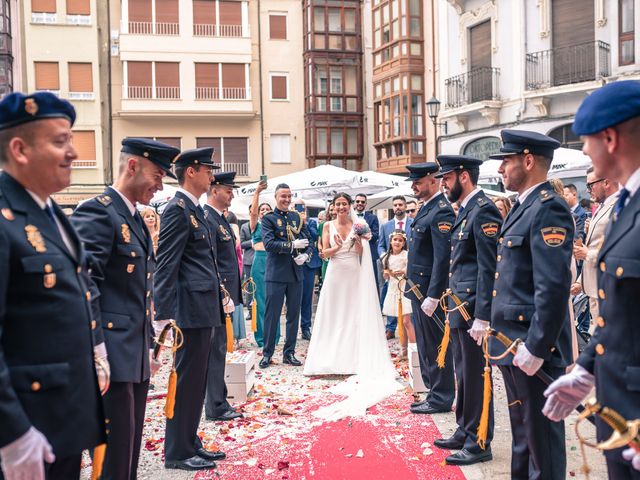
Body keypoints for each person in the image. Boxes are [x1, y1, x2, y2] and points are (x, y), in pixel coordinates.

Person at [0, 92, 105, 480]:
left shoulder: (49, 209)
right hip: (26, 422)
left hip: (61, 416)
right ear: (20, 149)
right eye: (60, 141)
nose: (74, 152)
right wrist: (12, 435)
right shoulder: (4, 215)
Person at [543, 80, 640, 478]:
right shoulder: (625, 206)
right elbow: (620, 310)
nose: (584, 151)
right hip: (619, 407)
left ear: (610, 138)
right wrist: (586, 368)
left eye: (586, 141)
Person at [70, 138, 177, 479]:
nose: (160, 186)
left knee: (127, 450)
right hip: (111, 355)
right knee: (113, 457)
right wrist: (96, 349)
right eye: (157, 175)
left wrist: (148, 344)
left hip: (133, 354)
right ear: (133, 166)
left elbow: (137, 291)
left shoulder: (132, 217)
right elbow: (83, 285)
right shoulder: (99, 211)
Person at [488, 129, 573, 480]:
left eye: (506, 161)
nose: (500, 170)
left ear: (527, 161)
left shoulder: (548, 208)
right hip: (512, 342)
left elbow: (552, 286)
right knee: (523, 436)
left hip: (531, 346)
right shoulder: (523, 207)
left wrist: (538, 346)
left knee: (543, 443)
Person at [154, 147, 231, 471]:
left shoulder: (193, 208)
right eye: (207, 170)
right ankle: (177, 450)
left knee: (197, 380)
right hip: (189, 310)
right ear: (191, 171)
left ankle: (189, 439)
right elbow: (166, 264)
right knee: (185, 381)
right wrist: (163, 316)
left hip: (203, 307)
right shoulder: (176, 209)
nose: (212, 176)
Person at [304, 192, 401, 419]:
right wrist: (337, 247)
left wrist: (357, 243)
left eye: (344, 204)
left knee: (353, 316)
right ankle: (330, 359)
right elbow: (324, 254)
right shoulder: (327, 226)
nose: (341, 207)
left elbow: (361, 254)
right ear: (333, 207)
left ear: (349, 207)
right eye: (338, 204)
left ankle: (352, 358)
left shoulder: (360, 225)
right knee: (334, 316)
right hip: (336, 273)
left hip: (355, 274)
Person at [435, 155, 502, 466]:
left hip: (473, 308)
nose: (443, 183)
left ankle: (479, 440)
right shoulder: (467, 210)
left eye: (447, 177)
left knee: (476, 375)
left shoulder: (484, 209)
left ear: (463, 176)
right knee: (463, 372)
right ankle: (465, 428)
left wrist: (483, 316)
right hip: (460, 307)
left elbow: (489, 268)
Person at [404, 163, 455, 415]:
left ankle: (442, 397)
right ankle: (434, 392)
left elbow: (442, 258)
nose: (414, 186)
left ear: (433, 181)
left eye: (418, 182)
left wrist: (434, 294)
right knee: (425, 344)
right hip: (418, 288)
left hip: (429, 292)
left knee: (435, 345)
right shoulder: (428, 208)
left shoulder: (441, 211)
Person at [203, 172, 244, 422]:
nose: (231, 195)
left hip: (225, 294)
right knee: (216, 350)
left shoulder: (220, 219)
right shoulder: (208, 218)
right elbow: (213, 261)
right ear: (215, 190)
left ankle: (220, 399)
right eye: (228, 190)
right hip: (219, 295)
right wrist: (222, 292)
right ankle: (216, 405)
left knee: (219, 349)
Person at [259, 183, 311, 369]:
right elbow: (269, 244)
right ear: (275, 197)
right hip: (276, 274)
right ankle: (267, 353)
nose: (287, 200)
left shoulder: (296, 217)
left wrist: (306, 255)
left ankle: (289, 353)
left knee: (293, 315)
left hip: (296, 273)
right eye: (283, 196)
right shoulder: (268, 219)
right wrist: (291, 246)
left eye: (289, 196)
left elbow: (307, 240)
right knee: (272, 316)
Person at [570, 168, 619, 331]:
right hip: (594, 288)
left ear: (606, 182)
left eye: (590, 185)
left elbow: (619, 250)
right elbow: (596, 244)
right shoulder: (602, 206)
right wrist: (580, 282)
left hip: (608, 290)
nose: (587, 189)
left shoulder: (618, 205)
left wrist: (587, 254)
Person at [248, 182, 280, 348]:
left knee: (274, 300)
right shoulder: (256, 226)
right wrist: (257, 193)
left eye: (268, 209)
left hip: (274, 262)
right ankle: (262, 337)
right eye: (263, 210)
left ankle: (274, 336)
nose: (265, 211)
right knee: (260, 300)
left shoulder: (275, 227)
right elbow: (253, 212)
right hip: (260, 261)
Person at [378, 195, 413, 339]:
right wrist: (385, 258)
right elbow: (380, 245)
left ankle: (410, 328)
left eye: (400, 204)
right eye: (395, 205)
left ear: (405, 207)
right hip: (391, 266)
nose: (398, 207)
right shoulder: (386, 226)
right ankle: (391, 328)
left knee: (407, 301)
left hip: (408, 266)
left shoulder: (413, 223)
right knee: (391, 295)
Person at [380, 230, 415, 360]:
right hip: (393, 290)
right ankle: (403, 350)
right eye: (395, 239)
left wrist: (403, 271)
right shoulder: (386, 257)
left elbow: (410, 269)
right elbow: (385, 276)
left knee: (407, 321)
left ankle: (414, 350)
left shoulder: (407, 255)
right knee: (400, 321)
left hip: (404, 289)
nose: (397, 242)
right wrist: (387, 273)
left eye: (400, 240)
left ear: (404, 242)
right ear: (390, 241)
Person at [295, 199, 320, 341]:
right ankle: (293, 328)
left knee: (307, 298)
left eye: (302, 207)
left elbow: (315, 237)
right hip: (293, 263)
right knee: (293, 298)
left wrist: (303, 222)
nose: (300, 210)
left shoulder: (311, 222)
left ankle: (306, 327)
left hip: (309, 263)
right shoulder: (289, 221)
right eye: (297, 207)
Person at [224, 210, 247, 345]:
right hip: (234, 267)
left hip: (234, 267)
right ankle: (232, 335)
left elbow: (237, 244)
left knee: (234, 302)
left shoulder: (233, 227)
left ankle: (234, 335)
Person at [353, 193, 380, 291]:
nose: (360, 203)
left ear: (366, 204)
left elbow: (376, 235)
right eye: (358, 201)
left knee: (372, 281)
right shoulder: (348, 217)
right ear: (354, 203)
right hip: (353, 253)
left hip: (370, 253)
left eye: (362, 202)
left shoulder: (373, 217)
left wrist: (363, 232)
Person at [240, 208, 255, 319]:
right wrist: (252, 242)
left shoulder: (263, 225)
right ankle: (250, 311)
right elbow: (241, 244)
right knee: (249, 286)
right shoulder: (244, 226)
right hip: (249, 260)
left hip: (263, 259)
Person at [319, 202, 335, 282]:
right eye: (331, 210)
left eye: (334, 209)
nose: (333, 212)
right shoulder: (323, 224)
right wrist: (322, 251)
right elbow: (319, 242)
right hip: (326, 258)